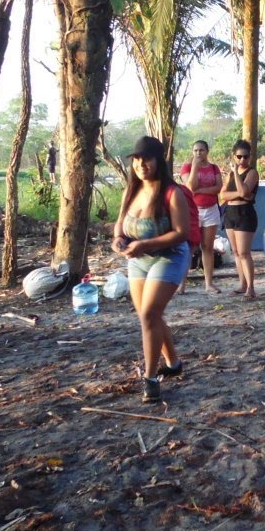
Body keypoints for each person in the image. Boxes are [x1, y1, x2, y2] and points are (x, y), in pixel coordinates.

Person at [113, 136, 191, 403]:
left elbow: (182, 233)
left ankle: (150, 379)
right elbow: (120, 224)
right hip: (138, 259)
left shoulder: (172, 193)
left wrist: (145, 244)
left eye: (146, 158)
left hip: (169, 257)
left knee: (148, 314)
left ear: (159, 161)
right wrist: (118, 240)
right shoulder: (130, 190)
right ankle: (173, 363)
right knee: (150, 316)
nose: (140, 164)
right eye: (136, 159)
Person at [220, 139, 259, 299]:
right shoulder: (229, 175)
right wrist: (239, 194)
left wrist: (236, 173)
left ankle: (251, 287)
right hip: (230, 212)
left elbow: (245, 191)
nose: (242, 160)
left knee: (244, 252)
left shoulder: (252, 173)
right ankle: (242, 284)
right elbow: (223, 195)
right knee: (236, 252)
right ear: (234, 156)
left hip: (245, 213)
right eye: (239, 156)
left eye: (245, 157)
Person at [185, 141, 223, 294]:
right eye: (195, 150)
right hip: (193, 211)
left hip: (211, 210)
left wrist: (201, 190)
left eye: (201, 150)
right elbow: (190, 187)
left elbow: (218, 188)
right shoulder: (187, 167)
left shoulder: (214, 168)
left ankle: (209, 284)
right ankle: (181, 284)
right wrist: (195, 167)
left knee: (207, 247)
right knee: (189, 247)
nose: (198, 153)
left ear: (207, 151)